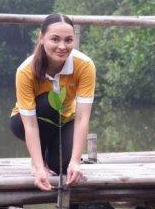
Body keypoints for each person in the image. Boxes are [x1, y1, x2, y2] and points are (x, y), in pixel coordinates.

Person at [10, 14, 96, 191]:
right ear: (41, 38)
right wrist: (39, 166)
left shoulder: (85, 65)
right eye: (55, 39)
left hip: (65, 120)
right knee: (49, 103)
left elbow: (82, 119)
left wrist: (75, 162)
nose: (62, 46)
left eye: (68, 40)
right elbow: (31, 126)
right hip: (27, 122)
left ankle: (53, 157)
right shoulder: (26, 71)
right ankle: (38, 158)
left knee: (63, 167)